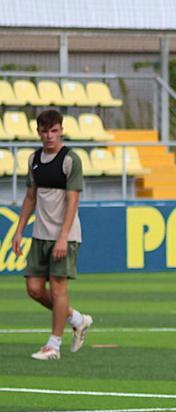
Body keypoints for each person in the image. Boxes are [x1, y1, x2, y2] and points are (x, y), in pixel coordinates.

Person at [11, 109, 93, 360]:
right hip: (40, 235)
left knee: (58, 289)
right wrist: (19, 230)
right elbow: (30, 197)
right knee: (34, 288)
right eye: (45, 131)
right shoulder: (34, 159)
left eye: (54, 130)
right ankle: (76, 319)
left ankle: (53, 346)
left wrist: (63, 237)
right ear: (38, 132)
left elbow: (73, 202)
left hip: (64, 236)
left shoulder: (70, 160)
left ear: (61, 130)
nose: (49, 136)